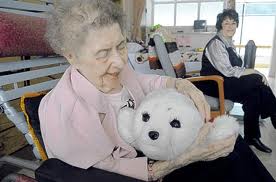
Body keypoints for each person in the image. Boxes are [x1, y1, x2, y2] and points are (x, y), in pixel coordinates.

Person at [38, 1, 275, 181]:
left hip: (153, 147)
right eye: (103, 54)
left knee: (232, 142)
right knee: (227, 160)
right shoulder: (67, 112)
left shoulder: (117, 71)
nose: (120, 62)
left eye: (121, 46)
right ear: (71, 56)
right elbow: (108, 170)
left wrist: (179, 84)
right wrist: (187, 157)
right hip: (137, 172)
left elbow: (144, 81)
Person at [198, 9, 276, 153]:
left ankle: (251, 137)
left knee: (254, 94)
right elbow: (228, 70)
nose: (230, 26)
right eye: (226, 23)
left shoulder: (229, 43)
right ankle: (274, 114)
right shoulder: (216, 43)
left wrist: (250, 72)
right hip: (214, 84)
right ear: (220, 25)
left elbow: (237, 68)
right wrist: (255, 72)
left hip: (227, 83)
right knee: (257, 79)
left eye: (233, 23)